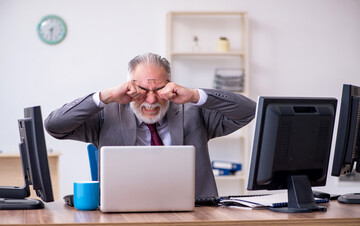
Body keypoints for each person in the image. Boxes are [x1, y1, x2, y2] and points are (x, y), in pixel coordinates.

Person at [45, 52, 256, 198]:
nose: (152, 100)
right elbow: (54, 126)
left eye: (159, 90)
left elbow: (248, 111)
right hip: (125, 215)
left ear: (171, 85)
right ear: (128, 86)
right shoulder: (106, 115)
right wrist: (105, 96)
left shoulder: (192, 112)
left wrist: (194, 95)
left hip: (193, 214)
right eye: (143, 90)